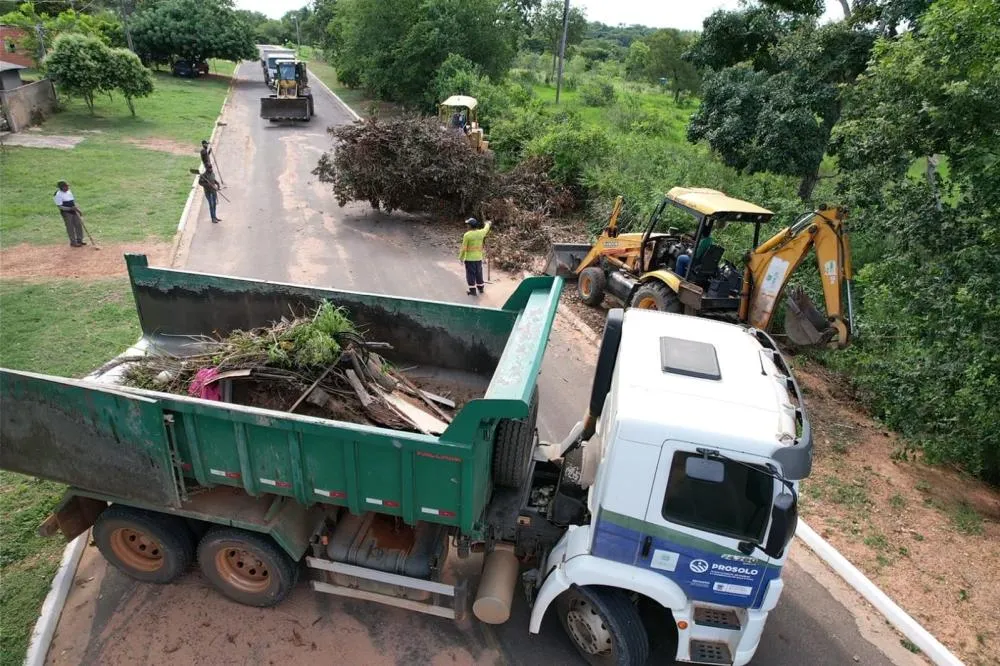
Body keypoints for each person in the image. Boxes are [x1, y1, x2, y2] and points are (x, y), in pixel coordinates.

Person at [459, 217, 491, 296]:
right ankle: (481, 288)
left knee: (470, 275)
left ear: (470, 226)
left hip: (469, 259)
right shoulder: (481, 233)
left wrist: (461, 258)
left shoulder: (467, 235)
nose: (467, 226)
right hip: (479, 258)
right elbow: (486, 228)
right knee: (479, 273)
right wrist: (488, 223)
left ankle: (472, 291)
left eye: (468, 225)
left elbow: (464, 248)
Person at [53, 181, 85, 247]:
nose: (67, 187)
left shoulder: (69, 191)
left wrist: (78, 210)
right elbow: (60, 206)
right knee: (70, 227)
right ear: (61, 187)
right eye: (66, 186)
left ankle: (79, 240)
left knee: (78, 225)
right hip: (66, 213)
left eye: (68, 186)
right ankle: (73, 242)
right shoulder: (57, 194)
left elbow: (72, 202)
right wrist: (70, 209)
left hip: (74, 211)